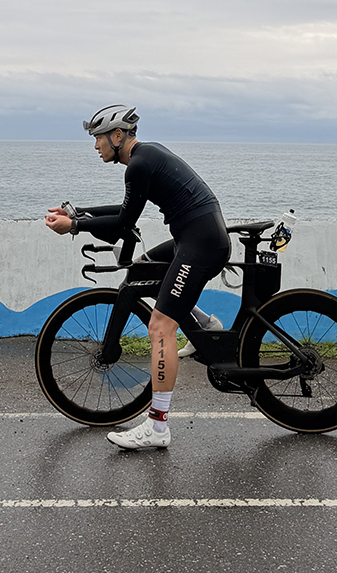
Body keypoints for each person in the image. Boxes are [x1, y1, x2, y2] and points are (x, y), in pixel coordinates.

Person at [44, 104, 230, 450]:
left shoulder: (140, 163)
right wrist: (78, 214)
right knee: (143, 271)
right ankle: (206, 325)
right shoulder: (144, 158)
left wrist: (75, 226)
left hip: (201, 243)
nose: (96, 146)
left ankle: (158, 427)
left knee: (160, 326)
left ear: (118, 136)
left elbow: (122, 224)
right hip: (195, 237)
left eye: (99, 138)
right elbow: (125, 213)